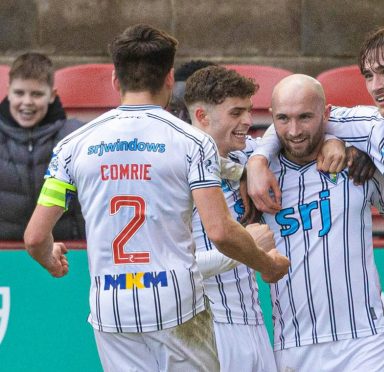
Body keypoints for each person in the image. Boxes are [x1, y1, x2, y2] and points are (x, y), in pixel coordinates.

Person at [23, 24, 289, 371]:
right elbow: (221, 232)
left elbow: (35, 237)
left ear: (116, 80)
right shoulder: (193, 143)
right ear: (168, 79)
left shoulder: (72, 146)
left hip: (112, 309)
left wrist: (49, 256)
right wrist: (267, 264)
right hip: (175, 306)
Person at [247, 23, 384, 272]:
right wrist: (257, 161)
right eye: (368, 75)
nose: (375, 86)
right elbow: (294, 117)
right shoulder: (372, 126)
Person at [261, 74, 384, 371]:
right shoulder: (259, 175)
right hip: (294, 343)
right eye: (283, 118)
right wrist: (256, 162)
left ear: (326, 114)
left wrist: (365, 158)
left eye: (305, 117)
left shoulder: (354, 163)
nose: (294, 130)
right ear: (271, 118)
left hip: (365, 339)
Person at [184, 65, 278, 371]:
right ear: (202, 116)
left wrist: (259, 162)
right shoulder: (175, 172)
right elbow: (176, 267)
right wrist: (245, 248)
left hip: (254, 321)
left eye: (249, 111)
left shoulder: (243, 156)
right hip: (208, 325)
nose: (248, 122)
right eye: (236, 113)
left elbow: (282, 130)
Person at [0, 52, 84, 240]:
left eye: (37, 94)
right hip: (5, 253)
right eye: (19, 93)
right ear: (8, 92)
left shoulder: (75, 137)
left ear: (52, 95)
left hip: (65, 250)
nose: (27, 102)